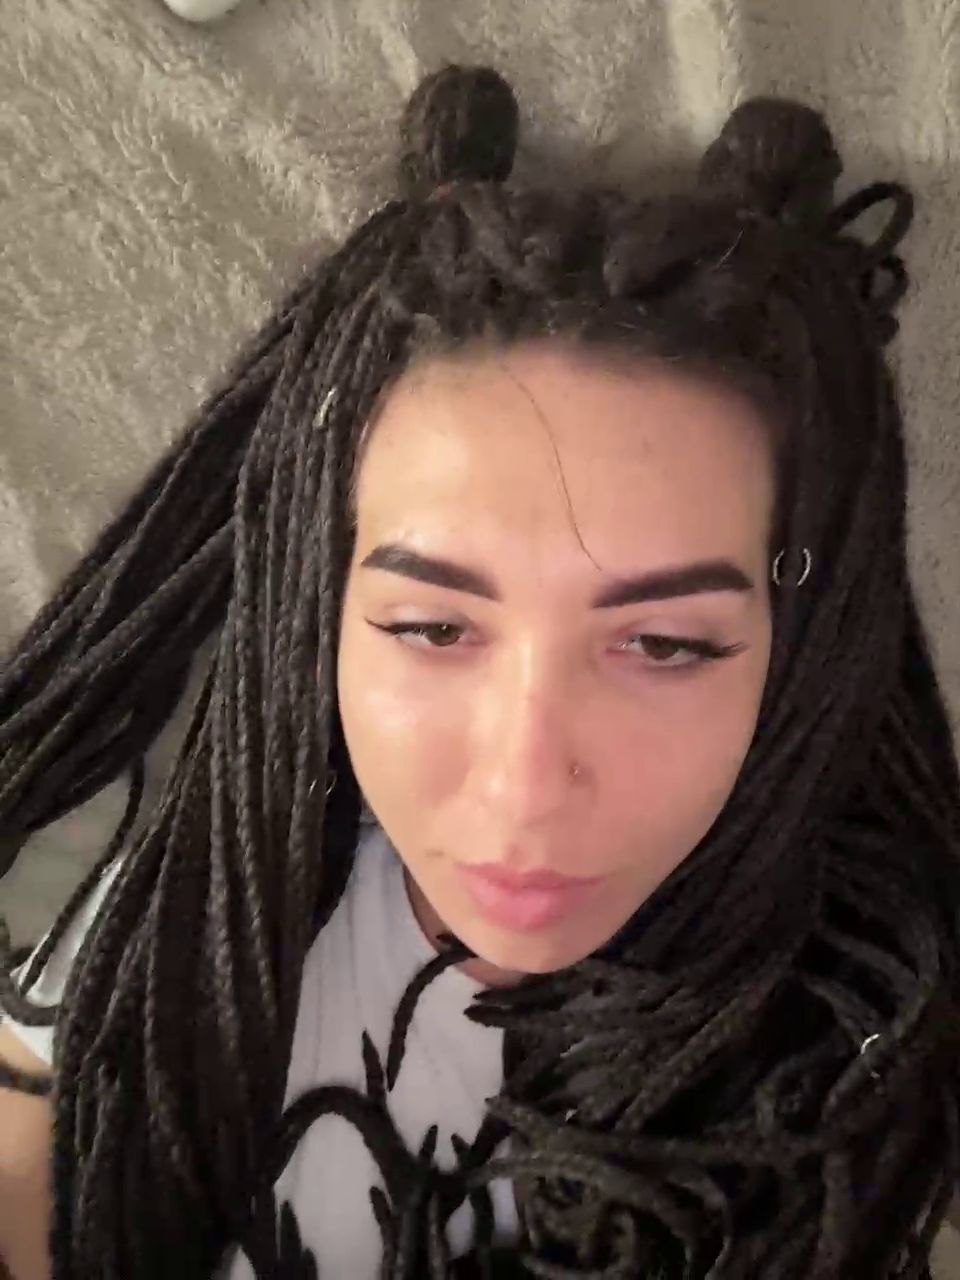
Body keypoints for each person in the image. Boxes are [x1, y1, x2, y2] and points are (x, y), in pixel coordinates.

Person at [0, 62, 958, 1280]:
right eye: (432, 628)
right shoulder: (191, 907)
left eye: (665, 643)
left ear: (807, 650)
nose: (523, 787)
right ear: (315, 610)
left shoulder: (863, 1042)